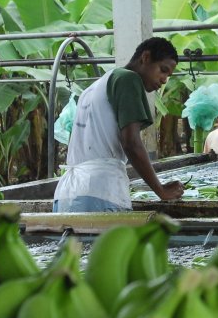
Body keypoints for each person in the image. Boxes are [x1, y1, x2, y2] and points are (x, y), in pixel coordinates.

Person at [52, 37, 185, 212]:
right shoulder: (128, 79)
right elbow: (131, 143)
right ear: (145, 57)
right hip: (101, 193)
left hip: (67, 195)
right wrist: (160, 190)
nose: (164, 80)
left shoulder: (91, 89)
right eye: (163, 70)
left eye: (168, 76)